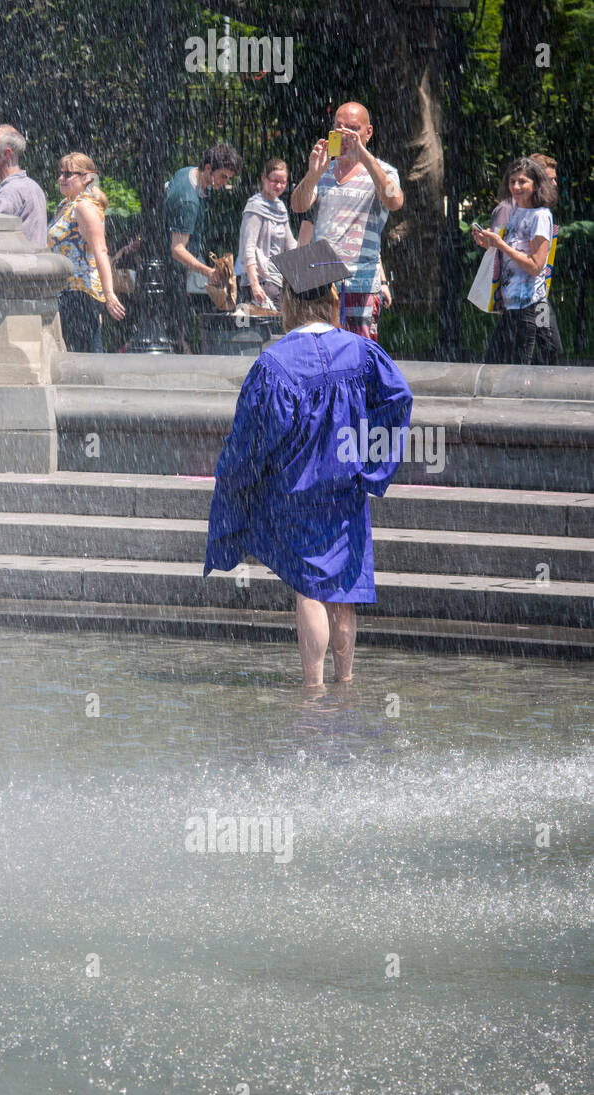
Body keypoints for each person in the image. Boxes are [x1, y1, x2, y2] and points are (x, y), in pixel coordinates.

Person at [203, 240, 413, 689]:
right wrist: (371, 465)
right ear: (332, 299)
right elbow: (399, 398)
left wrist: (234, 476)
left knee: (311, 589)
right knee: (344, 589)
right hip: (347, 488)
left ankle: (313, 688)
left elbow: (253, 438)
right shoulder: (360, 352)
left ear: (288, 301)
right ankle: (346, 681)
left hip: (296, 489)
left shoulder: (276, 363)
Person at [290, 101, 403, 341]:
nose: (344, 135)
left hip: (360, 285)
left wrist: (362, 154)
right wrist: (312, 175)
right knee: (322, 353)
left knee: (359, 355)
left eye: (352, 129)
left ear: (368, 132)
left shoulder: (382, 172)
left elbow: (395, 202)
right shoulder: (323, 171)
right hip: (322, 286)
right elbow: (298, 206)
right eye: (339, 128)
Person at [473, 157, 558, 366]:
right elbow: (512, 252)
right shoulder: (516, 212)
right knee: (549, 351)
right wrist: (489, 243)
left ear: (536, 184)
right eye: (512, 181)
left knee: (529, 362)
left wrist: (501, 244)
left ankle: (541, 393)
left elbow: (536, 266)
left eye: (522, 181)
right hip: (517, 304)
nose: (516, 187)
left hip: (530, 305)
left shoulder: (540, 215)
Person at [162, 142, 242, 351]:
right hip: (170, 270)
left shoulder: (187, 172)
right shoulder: (188, 201)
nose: (225, 183)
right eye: (223, 176)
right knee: (175, 330)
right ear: (208, 168)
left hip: (178, 267)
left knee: (176, 326)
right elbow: (177, 249)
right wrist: (208, 272)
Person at [47, 152, 126, 352]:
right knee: (75, 356)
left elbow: (101, 250)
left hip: (81, 294)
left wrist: (109, 294)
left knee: (83, 358)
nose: (61, 178)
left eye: (67, 174)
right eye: (60, 173)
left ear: (86, 179)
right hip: (66, 292)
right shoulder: (66, 205)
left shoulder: (84, 207)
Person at [236, 158, 296, 309]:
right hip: (259, 283)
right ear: (264, 178)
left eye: (283, 182)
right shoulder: (255, 207)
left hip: (276, 281)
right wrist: (255, 285)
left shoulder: (280, 207)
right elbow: (247, 248)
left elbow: (291, 246)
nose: (279, 186)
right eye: (274, 181)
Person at [0, 125, 48, 246]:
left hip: (16, 263)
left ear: (6, 154)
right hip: (36, 262)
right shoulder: (33, 186)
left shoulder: (9, 193)